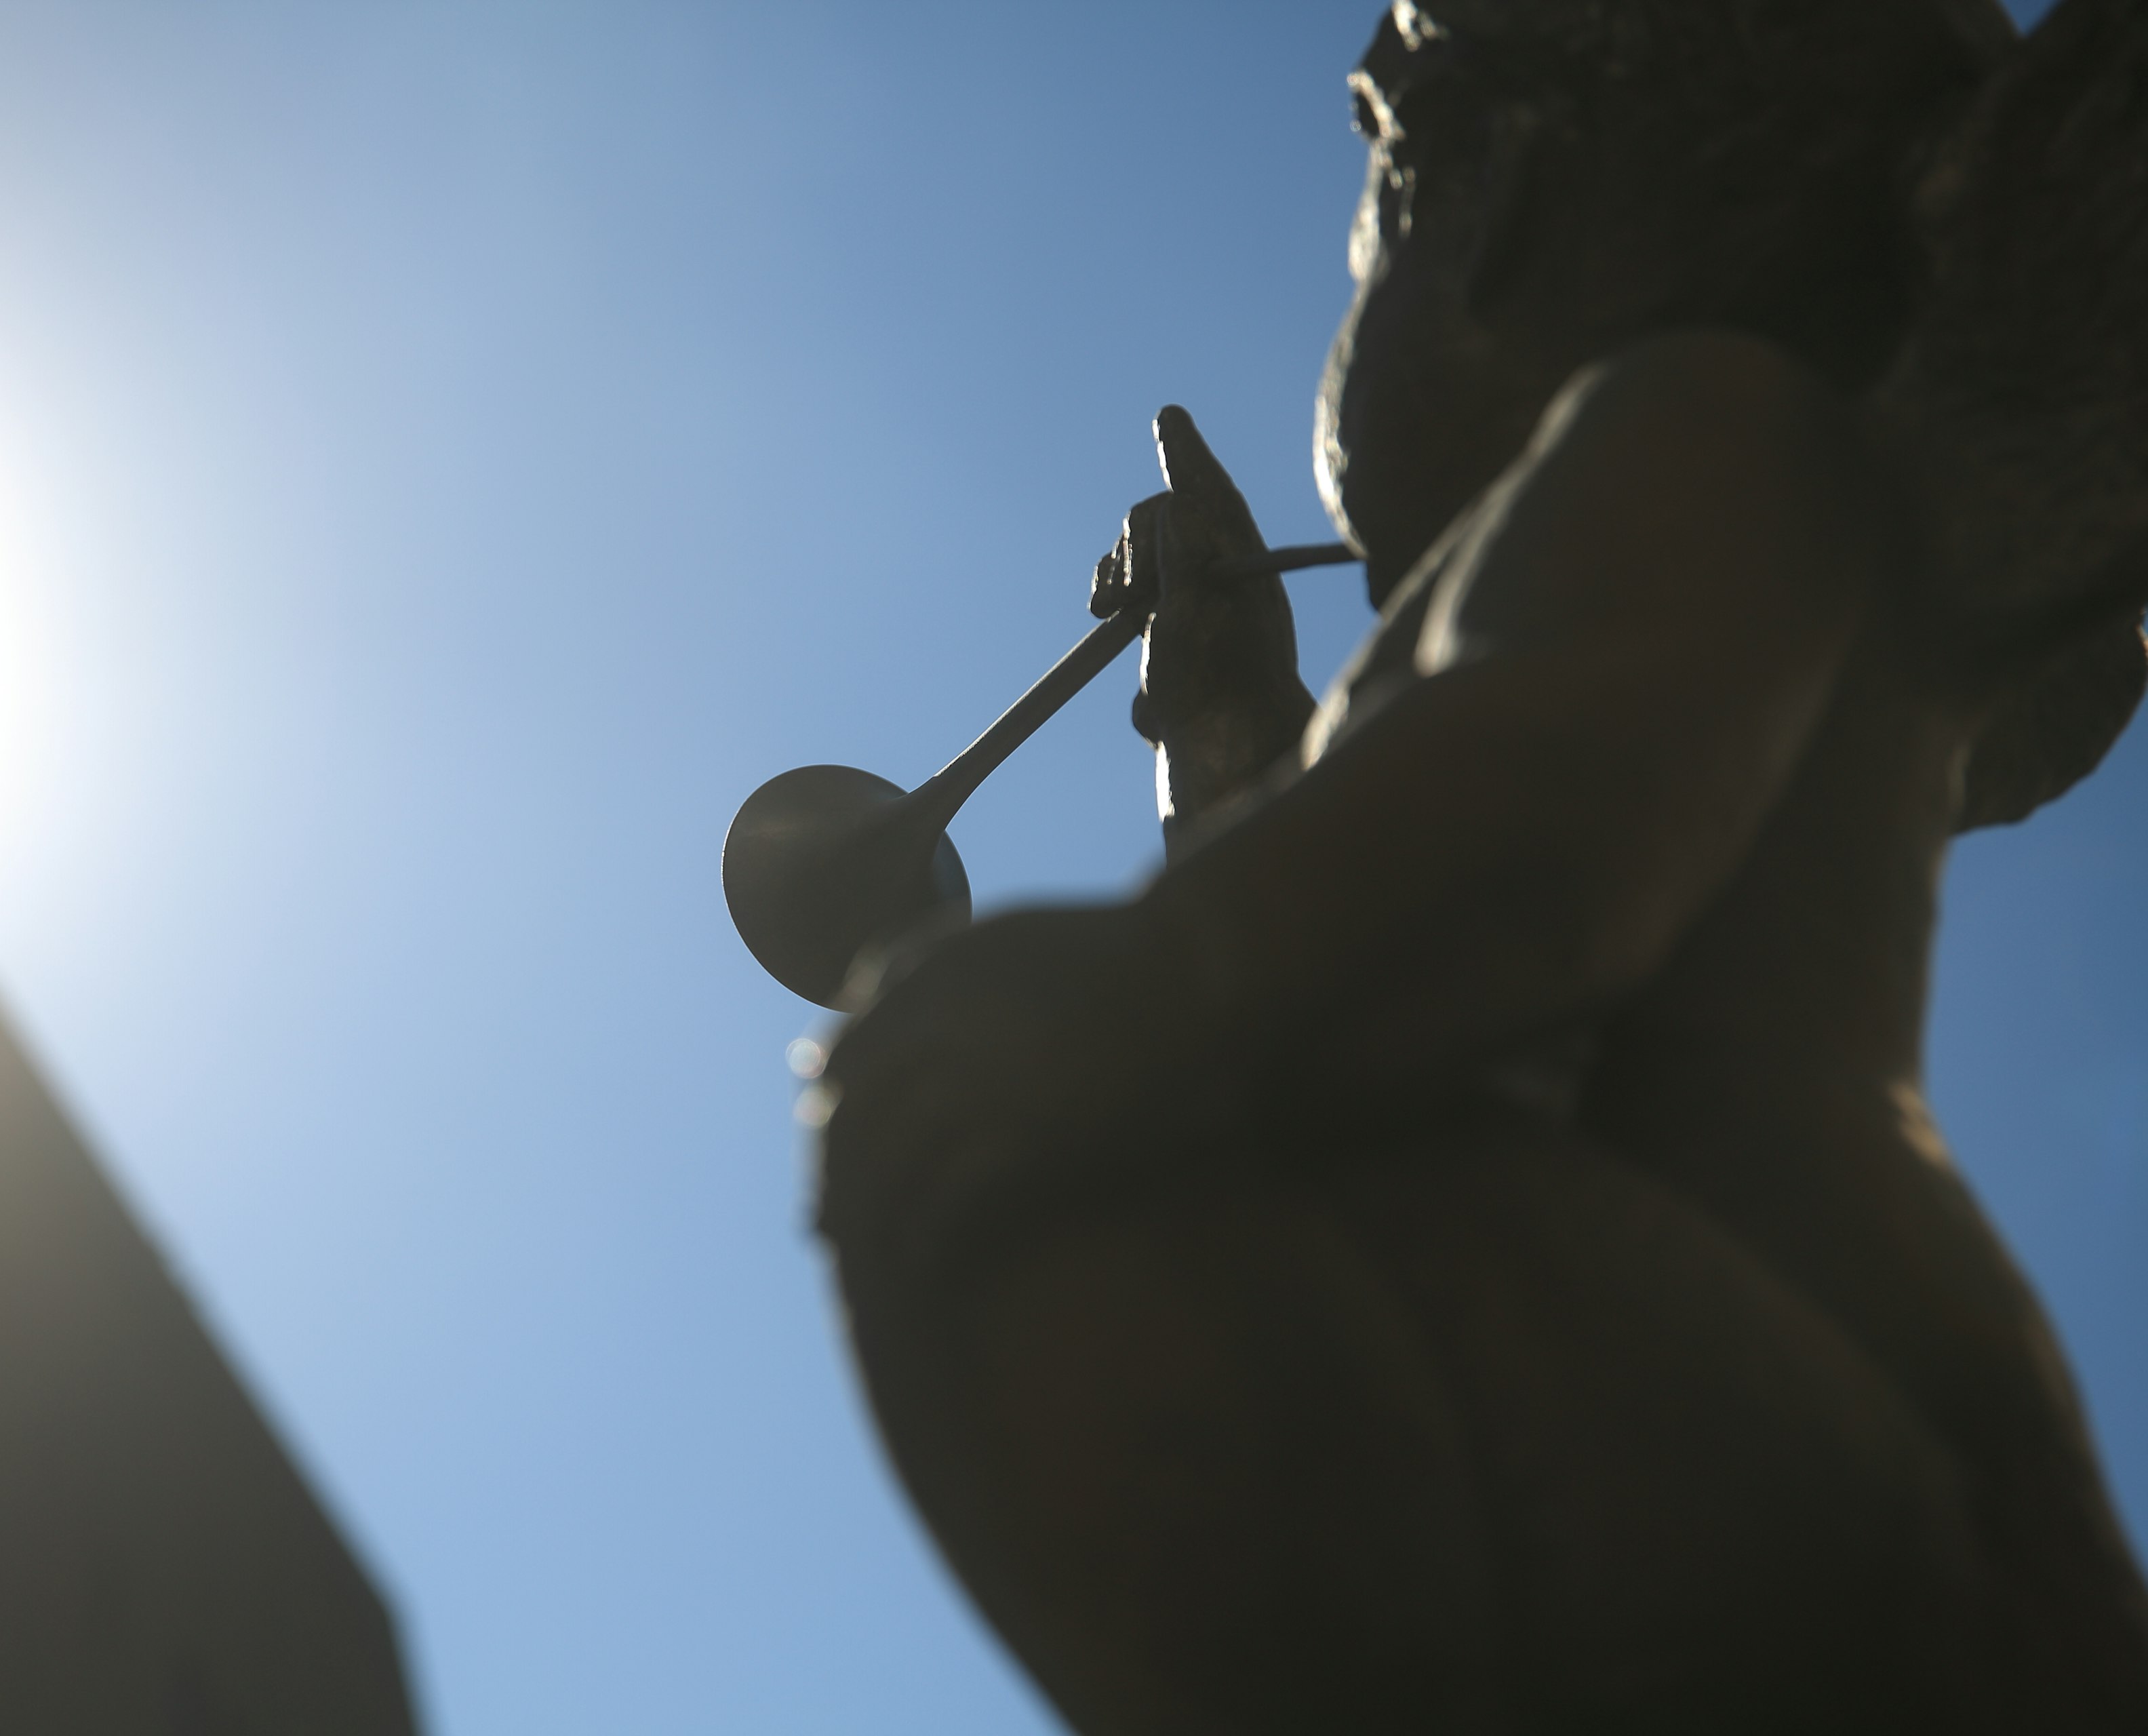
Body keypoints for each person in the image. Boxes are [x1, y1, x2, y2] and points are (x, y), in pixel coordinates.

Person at [814, 1, 2148, 1729]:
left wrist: (1128, 992)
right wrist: (1222, 730)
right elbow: (1403, 953)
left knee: (965, 1046)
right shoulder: (1717, 483)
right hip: (1770, 1386)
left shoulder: (1707, 427)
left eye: (1391, 192)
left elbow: (1534, 841)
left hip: (1802, 1427)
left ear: (1491, 188)